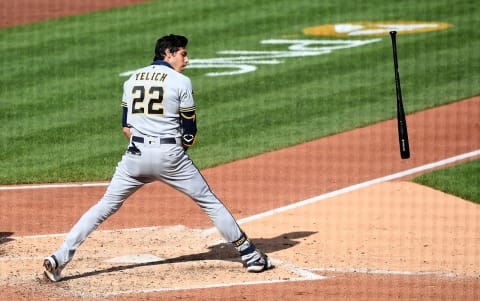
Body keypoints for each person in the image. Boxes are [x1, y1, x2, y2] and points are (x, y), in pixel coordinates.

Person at [43, 34, 272, 282]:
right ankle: (251, 256)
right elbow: (190, 132)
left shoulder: (131, 80)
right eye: (183, 53)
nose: (187, 59)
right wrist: (177, 151)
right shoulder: (181, 82)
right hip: (170, 155)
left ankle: (59, 258)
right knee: (209, 202)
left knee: (104, 207)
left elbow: (126, 127)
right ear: (169, 53)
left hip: (134, 156)